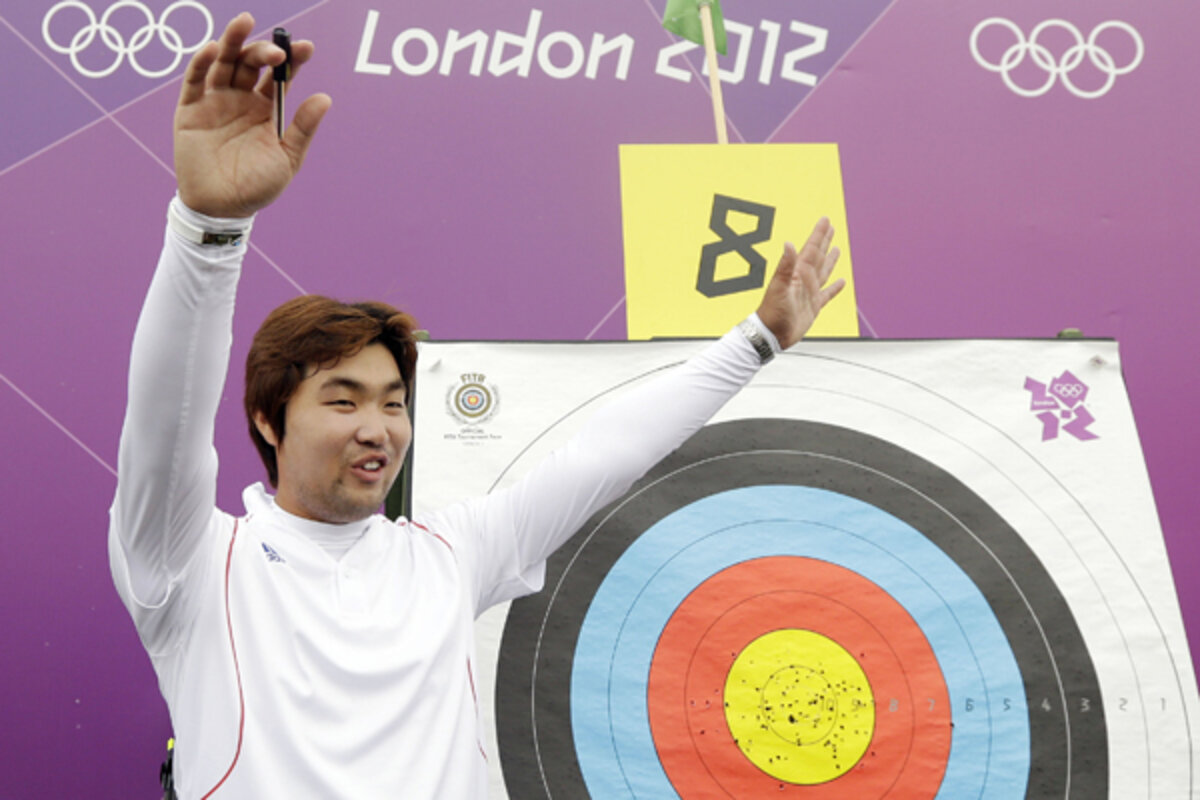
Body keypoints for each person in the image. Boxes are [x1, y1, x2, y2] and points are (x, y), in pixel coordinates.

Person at [109, 12, 845, 800]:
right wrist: (209, 229)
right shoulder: (191, 560)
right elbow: (166, 422)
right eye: (343, 400)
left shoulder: (451, 556)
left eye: (394, 403)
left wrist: (756, 342)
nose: (377, 429)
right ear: (268, 419)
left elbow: (606, 453)